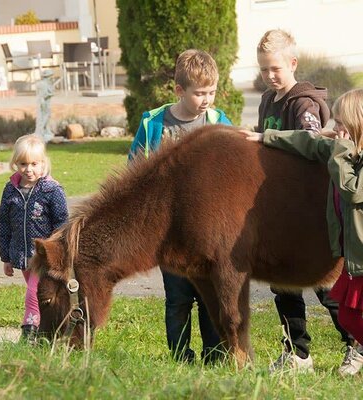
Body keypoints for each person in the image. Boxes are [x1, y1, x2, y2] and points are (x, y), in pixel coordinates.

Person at [250, 28, 355, 373]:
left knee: (324, 284)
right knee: (283, 282)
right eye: (264, 69)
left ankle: (356, 344)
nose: (269, 76)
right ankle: (298, 352)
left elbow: (312, 146)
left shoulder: (304, 102)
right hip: (278, 209)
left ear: (292, 63)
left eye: (275, 69)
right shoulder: (269, 100)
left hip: (310, 211)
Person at [129, 49, 232, 363]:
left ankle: (214, 355)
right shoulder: (154, 124)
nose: (206, 100)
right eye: (199, 93)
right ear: (179, 90)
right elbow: (135, 169)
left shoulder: (217, 121)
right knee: (177, 299)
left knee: (209, 295)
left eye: (211, 92)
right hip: (168, 232)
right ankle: (180, 356)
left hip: (208, 231)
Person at [0, 134, 68, 344]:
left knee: (34, 292)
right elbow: (4, 223)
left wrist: (59, 253)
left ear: (43, 163)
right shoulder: (11, 190)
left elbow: (62, 224)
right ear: (15, 164)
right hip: (21, 255)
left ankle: (29, 332)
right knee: (44, 296)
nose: (28, 169)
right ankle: (51, 330)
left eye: (34, 164)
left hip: (44, 256)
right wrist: (6, 257)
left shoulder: (52, 190)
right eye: (23, 164)